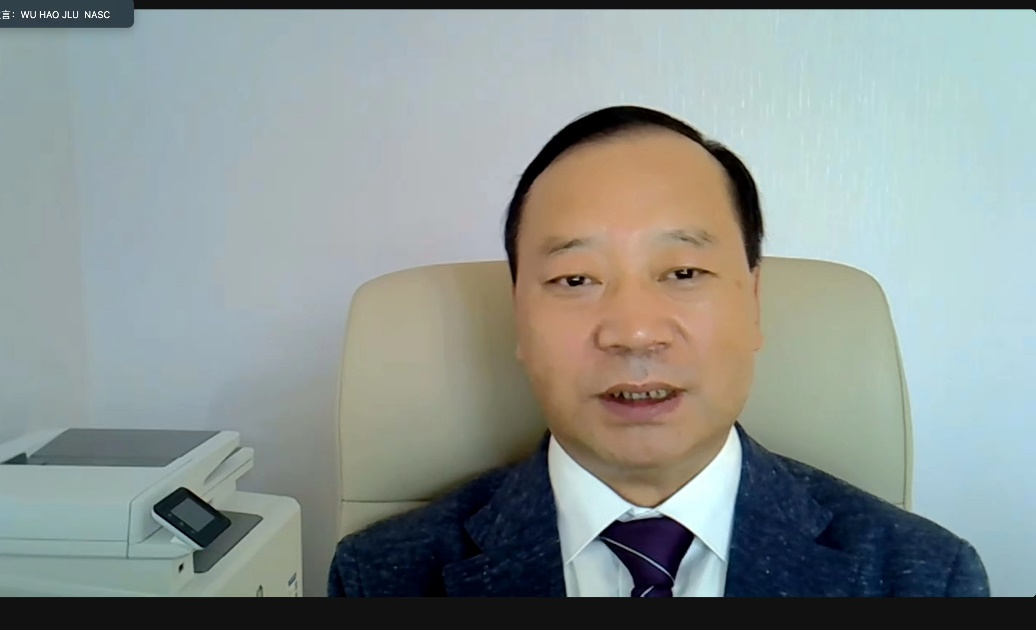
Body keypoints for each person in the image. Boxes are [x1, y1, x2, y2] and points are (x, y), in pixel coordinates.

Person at [327, 105, 990, 597]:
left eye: (683, 272)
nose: (634, 333)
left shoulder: (923, 578)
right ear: (519, 320)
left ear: (754, 303)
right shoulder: (380, 578)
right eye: (575, 280)